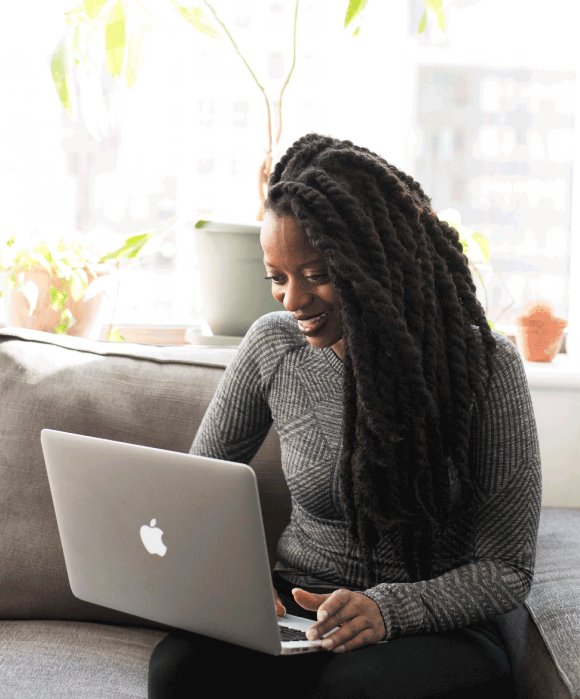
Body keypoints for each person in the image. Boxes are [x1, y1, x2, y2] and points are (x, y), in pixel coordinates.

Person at [149, 133, 541, 699]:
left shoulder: (485, 367)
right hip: (300, 606)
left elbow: (507, 567)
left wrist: (387, 610)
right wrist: (234, 581)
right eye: (278, 278)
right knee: (179, 672)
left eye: (316, 274)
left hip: (432, 622)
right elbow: (193, 489)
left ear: (375, 263)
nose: (292, 300)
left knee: (354, 690)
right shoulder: (272, 348)